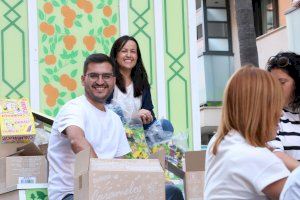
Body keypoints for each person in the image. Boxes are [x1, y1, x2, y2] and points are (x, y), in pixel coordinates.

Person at [108, 35, 184, 200]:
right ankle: (155, 175)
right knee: (119, 114)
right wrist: (134, 117)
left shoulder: (141, 81)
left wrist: (147, 116)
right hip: (118, 134)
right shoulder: (109, 80)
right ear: (115, 55)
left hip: (140, 135)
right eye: (124, 51)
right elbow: (105, 113)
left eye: (133, 52)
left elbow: (150, 111)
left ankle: (160, 172)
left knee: (165, 126)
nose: (129, 55)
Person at [47, 53, 131, 200]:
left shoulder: (115, 120)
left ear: (113, 80)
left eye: (106, 76)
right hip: (72, 194)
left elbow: (120, 164)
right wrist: (102, 181)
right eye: (93, 76)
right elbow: (77, 141)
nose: (100, 81)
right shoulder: (73, 108)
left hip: (107, 194)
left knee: (170, 192)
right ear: (83, 80)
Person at [204, 66, 290, 199]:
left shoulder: (219, 142)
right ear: (260, 110)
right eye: (276, 105)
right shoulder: (257, 157)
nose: (281, 113)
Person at [267, 52, 300, 171]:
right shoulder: (270, 115)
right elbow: (275, 154)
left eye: (281, 82)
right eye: (272, 83)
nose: (275, 88)